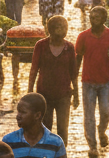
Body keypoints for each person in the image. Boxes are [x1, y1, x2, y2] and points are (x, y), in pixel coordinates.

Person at [76, 6, 109, 158]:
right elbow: (78, 57)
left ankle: (102, 131)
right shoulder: (83, 36)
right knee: (89, 115)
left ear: (103, 19)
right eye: (91, 17)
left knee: (105, 111)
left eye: (96, 18)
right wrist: (73, 78)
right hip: (88, 81)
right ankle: (92, 146)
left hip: (105, 81)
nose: (92, 20)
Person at [28, 15, 78, 145]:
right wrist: (30, 91)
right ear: (50, 29)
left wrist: (76, 93)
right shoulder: (41, 46)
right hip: (44, 94)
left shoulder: (69, 48)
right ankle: (46, 155)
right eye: (58, 27)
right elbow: (34, 69)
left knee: (63, 128)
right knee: (45, 127)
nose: (62, 30)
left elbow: (73, 73)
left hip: (64, 95)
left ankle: (61, 155)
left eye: (64, 27)